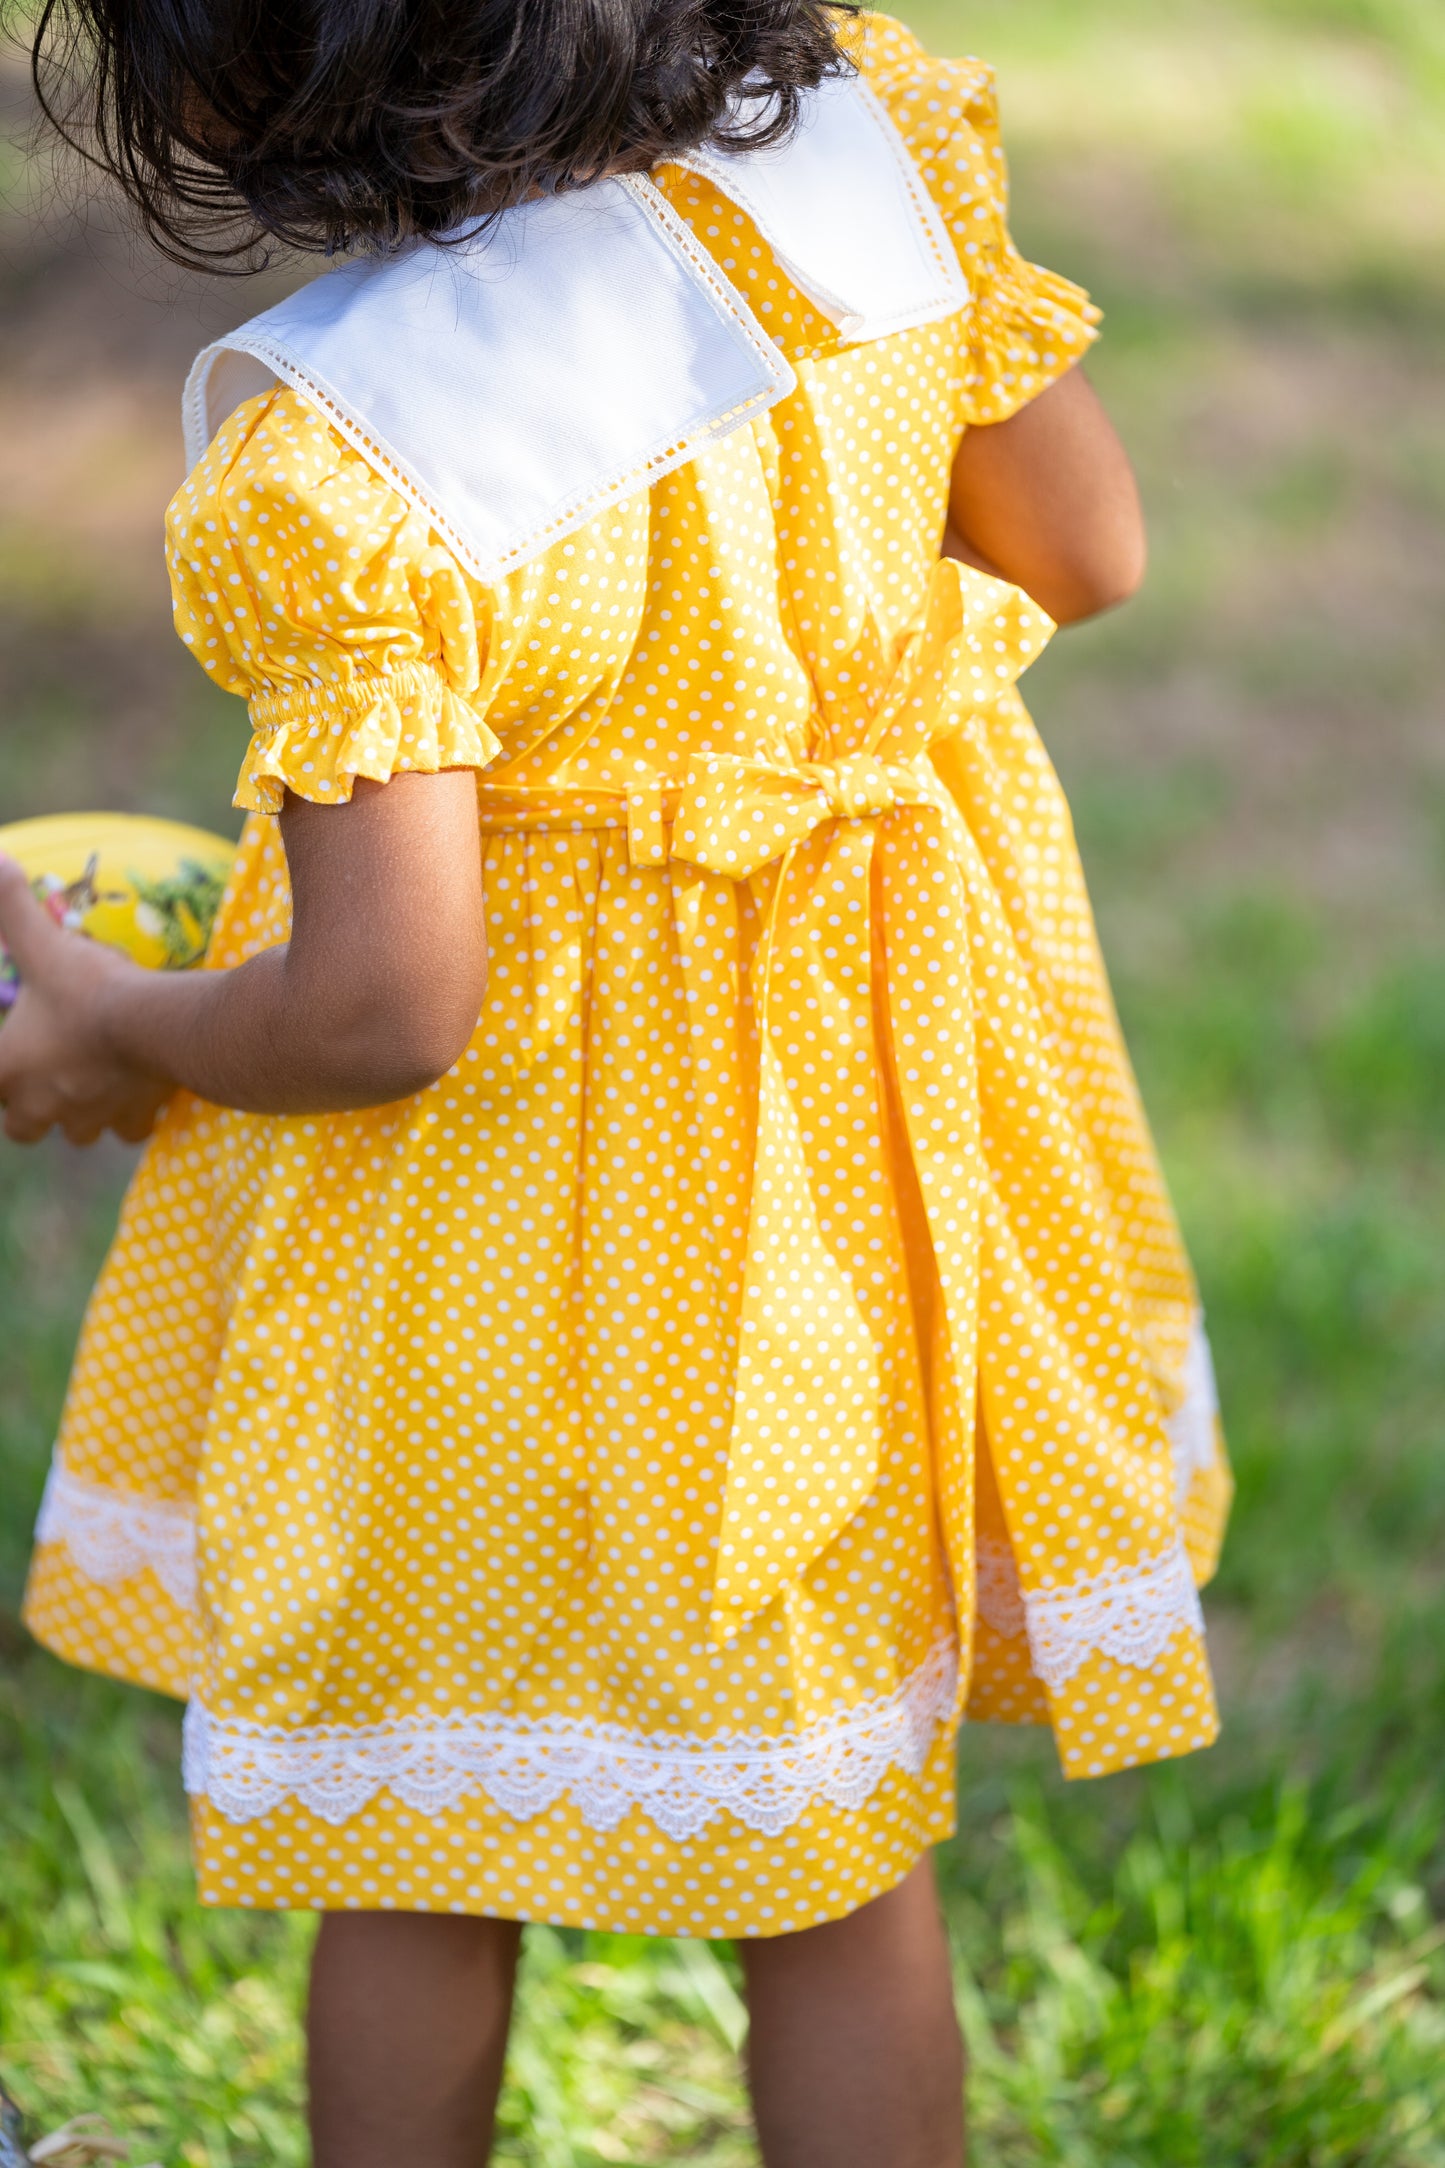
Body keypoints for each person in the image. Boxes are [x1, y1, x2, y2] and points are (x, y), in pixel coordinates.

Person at [0, 1, 1233, 2161]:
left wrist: (128, 1025)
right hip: (835, 1168)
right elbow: (1086, 553)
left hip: (470, 1229)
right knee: (840, 1854)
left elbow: (387, 1003)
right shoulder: (869, 164)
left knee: (413, 1818)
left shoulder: (348, 461)